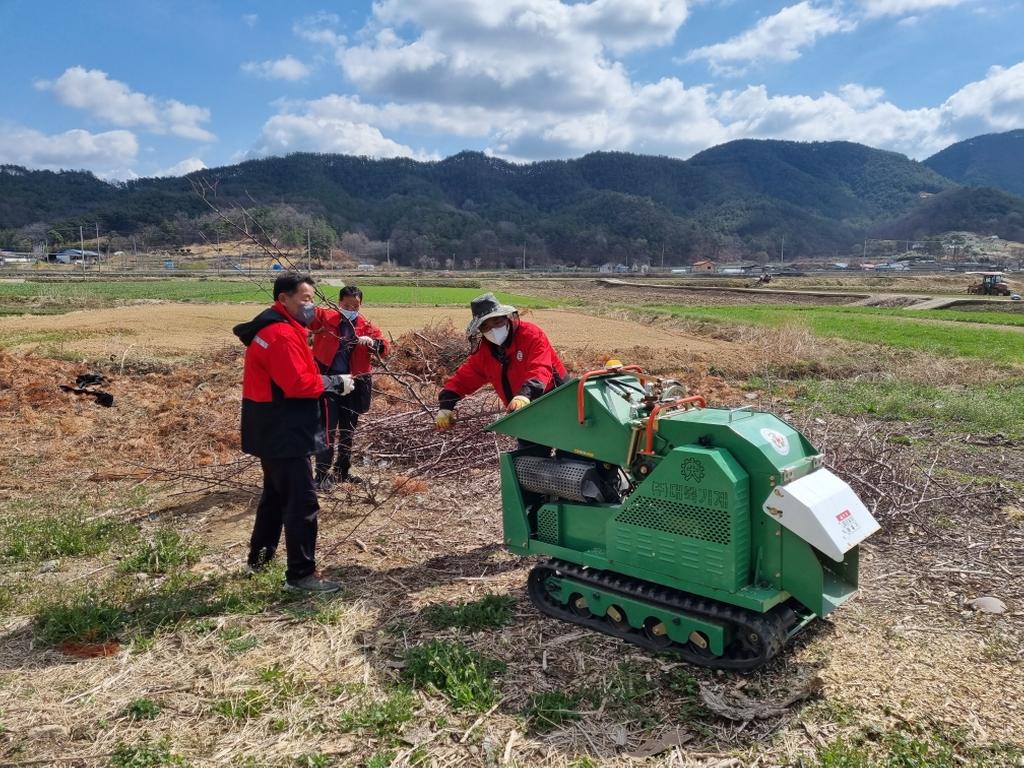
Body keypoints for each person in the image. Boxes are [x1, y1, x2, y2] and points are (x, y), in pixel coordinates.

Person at [232, 272, 352, 593]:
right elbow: (298, 384)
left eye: (312, 298)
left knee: (273, 497)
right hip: (285, 430)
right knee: (302, 503)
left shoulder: (273, 329)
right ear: (283, 299)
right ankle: (301, 575)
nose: (310, 305)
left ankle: (258, 561)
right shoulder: (281, 335)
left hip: (270, 428)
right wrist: (336, 383)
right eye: (305, 298)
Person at [435, 293, 566, 429]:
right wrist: (446, 406)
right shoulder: (484, 353)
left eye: (497, 322)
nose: (493, 329)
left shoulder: (531, 335)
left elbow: (540, 369)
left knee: (568, 448)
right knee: (530, 450)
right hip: (520, 409)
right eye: (486, 326)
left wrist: (525, 395)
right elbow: (463, 380)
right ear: (480, 330)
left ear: (506, 318)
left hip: (557, 400)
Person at [310, 285, 391, 487]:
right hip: (329, 382)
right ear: (339, 303)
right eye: (347, 305)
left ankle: (342, 470)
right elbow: (303, 321)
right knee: (327, 429)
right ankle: (321, 474)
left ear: (360, 305)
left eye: (356, 306)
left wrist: (372, 342)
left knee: (349, 429)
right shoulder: (325, 320)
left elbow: (384, 347)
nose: (351, 309)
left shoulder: (365, 325)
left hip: (354, 383)